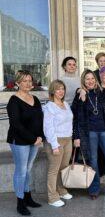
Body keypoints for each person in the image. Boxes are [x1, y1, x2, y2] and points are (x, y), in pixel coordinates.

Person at [72, 69, 105, 199]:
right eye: (87, 79)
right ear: (83, 81)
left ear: (96, 80)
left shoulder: (103, 93)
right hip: (89, 133)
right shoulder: (80, 96)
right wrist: (76, 136)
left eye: (92, 78)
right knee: (93, 161)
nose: (90, 81)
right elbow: (75, 117)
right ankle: (94, 189)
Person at [7, 70, 43, 216]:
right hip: (20, 141)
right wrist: (33, 139)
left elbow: (40, 119)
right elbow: (16, 125)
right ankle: (20, 202)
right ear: (17, 83)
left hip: (35, 140)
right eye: (24, 81)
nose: (28, 83)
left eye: (30, 80)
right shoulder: (13, 101)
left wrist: (40, 136)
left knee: (27, 169)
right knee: (21, 171)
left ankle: (28, 197)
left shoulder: (35, 98)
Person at [43, 80, 74, 207]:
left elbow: (69, 121)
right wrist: (54, 145)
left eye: (62, 88)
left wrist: (71, 137)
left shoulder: (65, 104)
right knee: (53, 170)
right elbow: (48, 127)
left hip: (68, 139)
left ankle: (61, 190)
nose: (61, 91)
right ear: (52, 91)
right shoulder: (49, 107)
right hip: (55, 140)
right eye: (58, 89)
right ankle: (52, 197)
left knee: (63, 168)